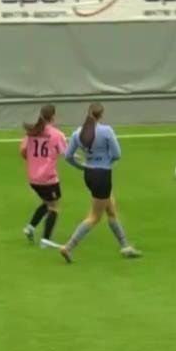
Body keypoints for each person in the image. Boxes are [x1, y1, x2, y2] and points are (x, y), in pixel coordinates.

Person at [58, 103, 141, 262]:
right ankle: (68, 247)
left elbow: (68, 156)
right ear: (101, 114)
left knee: (111, 209)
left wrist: (82, 166)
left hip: (89, 174)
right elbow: (117, 154)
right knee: (95, 216)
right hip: (102, 175)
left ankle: (125, 246)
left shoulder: (78, 133)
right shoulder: (106, 131)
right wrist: (106, 162)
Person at [20, 104, 67, 248]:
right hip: (48, 178)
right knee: (54, 207)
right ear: (53, 116)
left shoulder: (32, 132)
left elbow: (23, 151)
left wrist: (34, 162)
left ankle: (30, 227)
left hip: (33, 177)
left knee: (47, 203)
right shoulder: (56, 134)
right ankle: (45, 239)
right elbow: (66, 153)